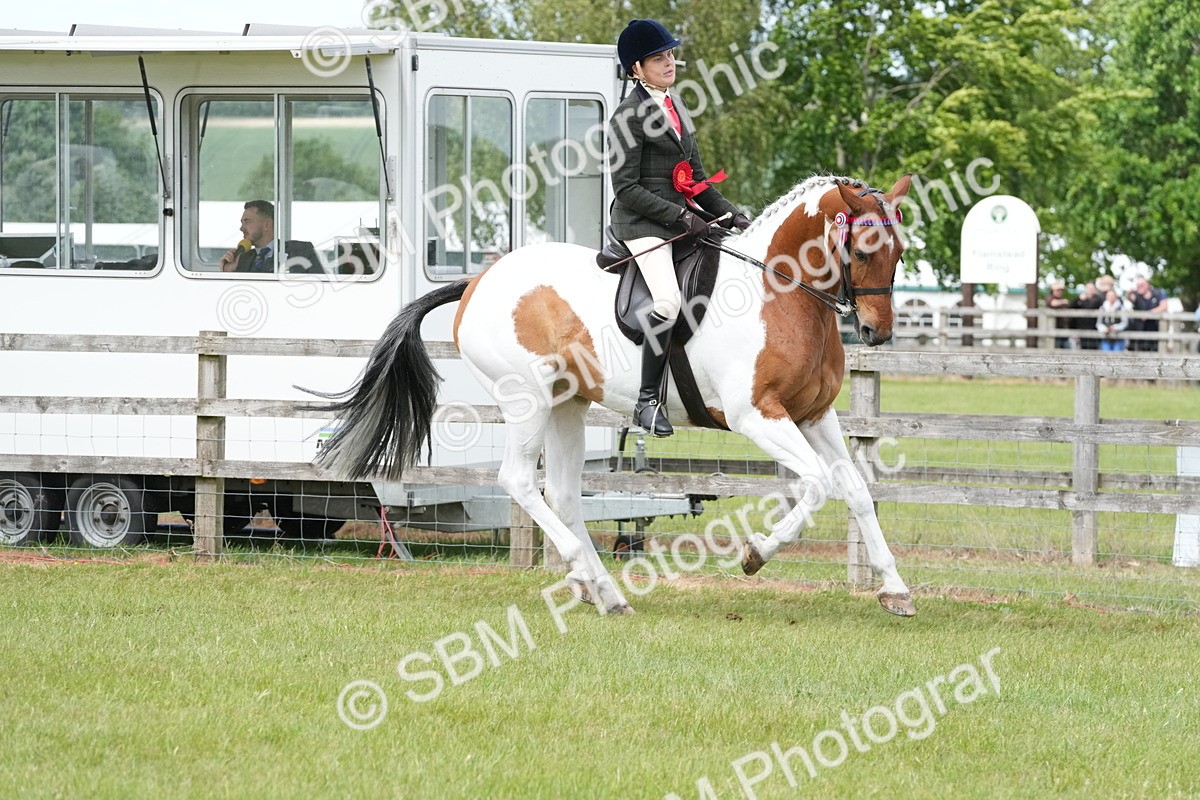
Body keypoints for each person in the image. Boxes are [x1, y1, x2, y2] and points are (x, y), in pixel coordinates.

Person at [608, 18, 751, 438]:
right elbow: (626, 188)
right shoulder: (626, 117)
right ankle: (648, 401)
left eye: (671, 54)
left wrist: (732, 214)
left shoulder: (675, 105)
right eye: (659, 57)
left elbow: (698, 178)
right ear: (636, 68)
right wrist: (681, 216)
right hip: (641, 223)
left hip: (678, 217)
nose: (670, 62)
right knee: (668, 302)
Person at [218, 200, 321, 274]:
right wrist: (230, 272)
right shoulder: (242, 259)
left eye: (247, 222)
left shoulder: (300, 250)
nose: (241, 228)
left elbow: (323, 287)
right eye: (242, 222)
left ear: (267, 225)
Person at [1128, 275, 1168, 352]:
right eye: (1138, 285)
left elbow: (1164, 306)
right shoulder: (1136, 295)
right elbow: (1130, 298)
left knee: (1156, 351)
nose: (1139, 287)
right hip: (1139, 330)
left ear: (1147, 284)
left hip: (1155, 328)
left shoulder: (1158, 293)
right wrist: (1129, 292)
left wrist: (1149, 314)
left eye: (1141, 284)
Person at [1071, 281, 1102, 350]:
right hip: (1081, 329)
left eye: (1092, 288)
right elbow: (1071, 307)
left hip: (1094, 329)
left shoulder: (1098, 299)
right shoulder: (1079, 299)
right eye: (1088, 288)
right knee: (1083, 349)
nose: (1090, 290)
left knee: (1094, 350)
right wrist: (1079, 299)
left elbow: (1092, 306)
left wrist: (1084, 300)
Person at [1045, 281, 1072, 348]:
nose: (1060, 292)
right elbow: (1053, 303)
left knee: (1065, 350)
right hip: (1054, 331)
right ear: (1052, 290)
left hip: (1064, 330)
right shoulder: (1049, 297)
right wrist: (1063, 302)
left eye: (1061, 290)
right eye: (1057, 290)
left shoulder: (1062, 300)